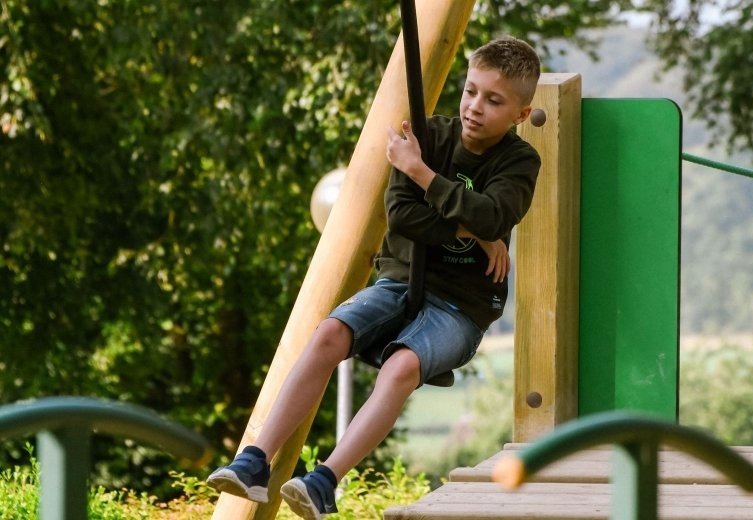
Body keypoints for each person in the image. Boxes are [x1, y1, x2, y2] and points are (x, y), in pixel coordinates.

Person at [206, 35, 541, 519]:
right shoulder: (427, 135)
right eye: (470, 91)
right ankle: (255, 459)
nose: (474, 107)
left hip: (460, 305)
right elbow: (403, 216)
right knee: (328, 333)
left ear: (519, 114)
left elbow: (494, 216)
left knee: (401, 366)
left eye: (493, 100)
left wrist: (421, 174)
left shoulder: (518, 161)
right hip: (400, 279)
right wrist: (473, 221)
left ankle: (324, 480)